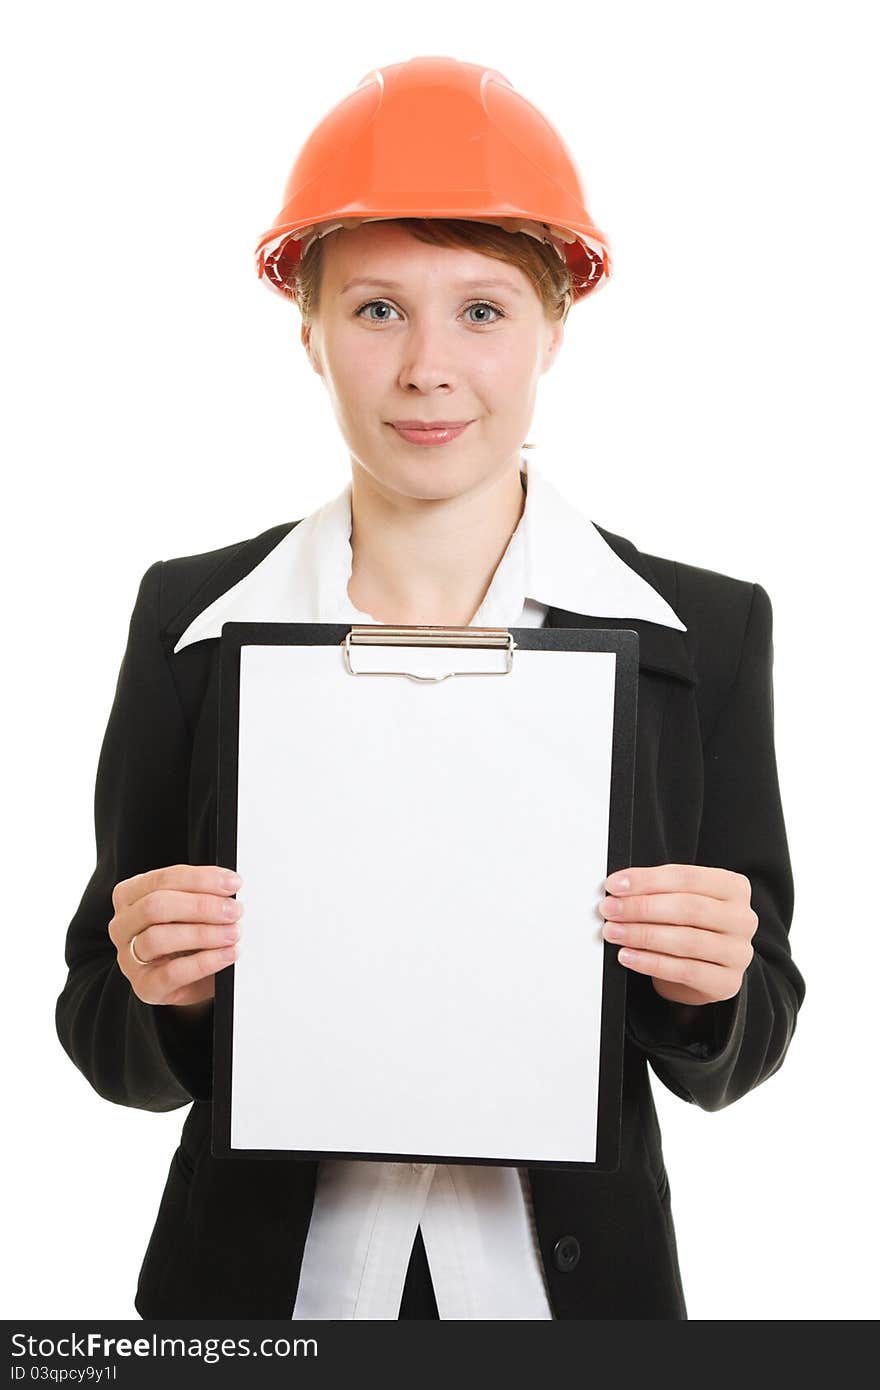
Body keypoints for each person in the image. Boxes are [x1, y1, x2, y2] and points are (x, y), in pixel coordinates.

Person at [55, 55, 806, 1320]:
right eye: (376, 310)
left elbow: (747, 1037)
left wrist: (711, 986)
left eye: (482, 309)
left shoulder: (702, 633)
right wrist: (157, 993)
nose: (427, 368)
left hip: (568, 1303)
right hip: (253, 1308)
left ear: (555, 327)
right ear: (308, 330)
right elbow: (104, 1029)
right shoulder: (189, 620)